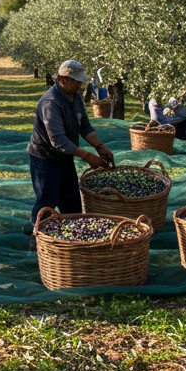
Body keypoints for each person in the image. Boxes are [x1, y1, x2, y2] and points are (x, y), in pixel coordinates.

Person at [26, 59, 116, 238]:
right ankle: (37, 240)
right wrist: (87, 156)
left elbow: (84, 126)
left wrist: (99, 147)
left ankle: (72, 241)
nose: (79, 85)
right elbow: (58, 140)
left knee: (72, 203)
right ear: (62, 80)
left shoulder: (75, 97)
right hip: (45, 159)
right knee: (46, 203)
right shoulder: (50, 103)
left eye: (80, 81)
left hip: (64, 158)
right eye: (76, 81)